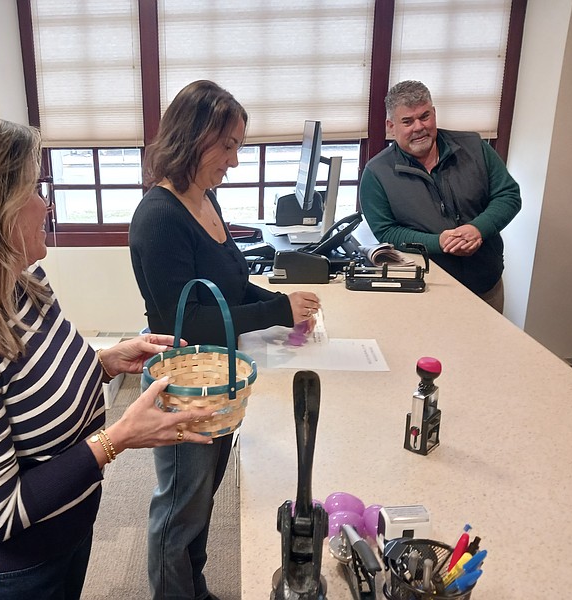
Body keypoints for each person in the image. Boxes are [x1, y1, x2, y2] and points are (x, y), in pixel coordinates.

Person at [0, 103, 216, 600]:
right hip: (1, 573)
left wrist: (105, 362)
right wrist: (117, 439)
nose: (46, 207)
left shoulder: (22, 284)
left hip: (64, 534)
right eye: (32, 192)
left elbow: (30, 383)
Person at [129, 80, 321, 600]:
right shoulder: (159, 217)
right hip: (182, 385)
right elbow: (190, 322)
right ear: (193, 137)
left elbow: (231, 285)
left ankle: (194, 588)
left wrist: (283, 306)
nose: (234, 161)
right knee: (179, 508)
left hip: (216, 380)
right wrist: (276, 310)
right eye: (228, 146)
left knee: (201, 501)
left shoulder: (203, 198)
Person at [359, 80, 522, 313]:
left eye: (424, 117)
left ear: (434, 113)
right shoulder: (376, 173)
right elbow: (386, 231)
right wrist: (439, 242)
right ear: (391, 126)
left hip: (486, 286)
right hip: (423, 291)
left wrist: (478, 228)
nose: (419, 127)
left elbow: (508, 195)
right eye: (407, 121)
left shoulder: (475, 147)